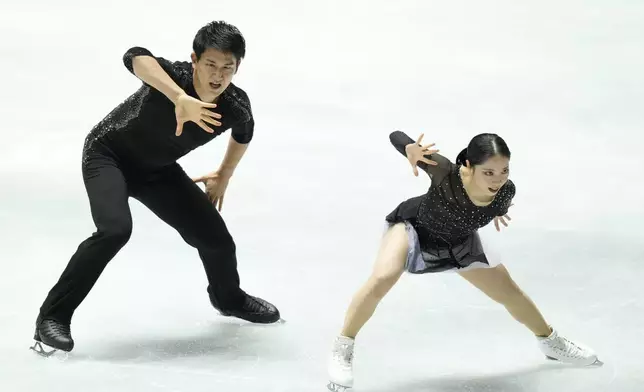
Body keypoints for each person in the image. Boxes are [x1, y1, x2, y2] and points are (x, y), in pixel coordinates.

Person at [31, 21, 281, 356]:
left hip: (156, 171)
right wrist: (179, 97)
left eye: (227, 68)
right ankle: (52, 318)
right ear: (194, 59)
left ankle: (228, 298)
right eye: (210, 65)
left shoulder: (234, 105)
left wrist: (224, 174)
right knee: (115, 230)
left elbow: (245, 131)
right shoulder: (174, 76)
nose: (218, 76)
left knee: (216, 239)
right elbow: (134, 56)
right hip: (108, 155)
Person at [326, 130, 600, 391]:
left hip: (458, 241)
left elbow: (495, 203)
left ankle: (551, 342)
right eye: (488, 172)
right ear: (468, 165)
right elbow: (396, 136)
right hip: (414, 227)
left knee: (509, 293)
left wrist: (496, 212)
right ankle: (343, 345)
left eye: (504, 171)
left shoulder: (505, 192)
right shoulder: (445, 171)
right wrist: (410, 148)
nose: (497, 179)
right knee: (384, 277)